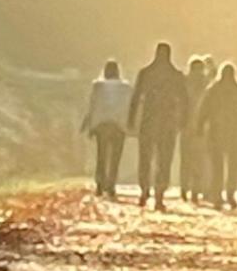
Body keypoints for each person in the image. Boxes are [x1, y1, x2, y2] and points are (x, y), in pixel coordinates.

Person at [128, 42, 190, 209]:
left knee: (145, 158)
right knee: (164, 159)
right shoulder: (176, 76)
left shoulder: (146, 73)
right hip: (168, 122)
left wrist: (131, 120)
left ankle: (144, 189)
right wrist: (184, 120)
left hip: (148, 120)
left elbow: (135, 98)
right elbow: (185, 100)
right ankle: (159, 194)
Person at [196, 62, 237, 208]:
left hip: (216, 134)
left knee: (217, 168)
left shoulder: (214, 90)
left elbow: (204, 110)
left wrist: (200, 127)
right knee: (233, 167)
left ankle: (218, 195)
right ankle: (230, 194)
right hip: (235, 135)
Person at [81, 59, 131, 198]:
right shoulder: (126, 87)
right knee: (115, 157)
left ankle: (100, 183)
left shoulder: (98, 86)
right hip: (119, 125)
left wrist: (89, 125)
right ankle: (111, 184)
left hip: (102, 124)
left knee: (101, 155)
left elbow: (93, 106)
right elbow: (129, 107)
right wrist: (130, 126)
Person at [180, 56, 214, 200]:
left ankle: (184, 187)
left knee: (186, 159)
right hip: (203, 127)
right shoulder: (206, 84)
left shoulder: (184, 83)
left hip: (186, 126)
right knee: (201, 159)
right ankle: (198, 188)